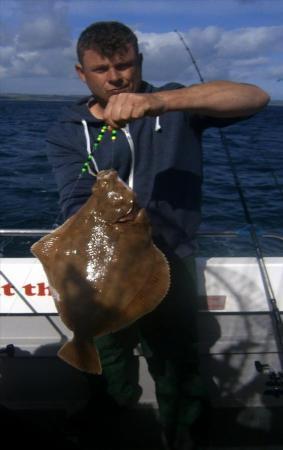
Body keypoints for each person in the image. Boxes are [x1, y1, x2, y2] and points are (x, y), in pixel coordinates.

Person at [45, 21, 269, 450]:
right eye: (101, 69)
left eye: (124, 65)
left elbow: (255, 97)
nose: (115, 77)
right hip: (103, 271)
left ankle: (185, 437)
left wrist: (160, 102)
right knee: (107, 366)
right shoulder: (66, 130)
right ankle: (111, 418)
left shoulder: (175, 106)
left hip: (171, 264)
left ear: (139, 62)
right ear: (82, 73)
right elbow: (72, 201)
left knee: (177, 368)